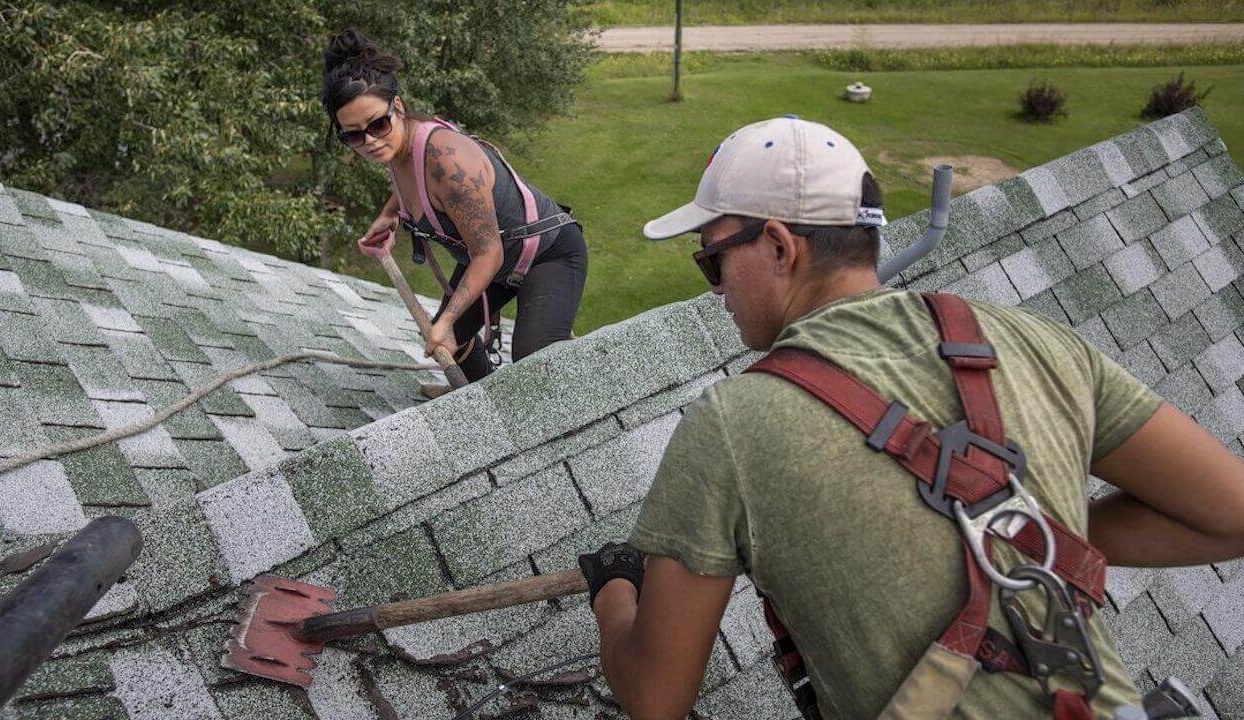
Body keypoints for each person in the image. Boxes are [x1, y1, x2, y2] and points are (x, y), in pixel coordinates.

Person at [576, 117, 1244, 719]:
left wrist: (614, 589)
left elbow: (656, 697)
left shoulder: (731, 424)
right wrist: (1026, 532)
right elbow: (1231, 512)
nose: (716, 290)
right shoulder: (1035, 340)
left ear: (779, 246)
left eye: (711, 261)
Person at [321, 29, 587, 389]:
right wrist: (390, 215)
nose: (369, 141)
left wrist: (445, 320)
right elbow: (412, 181)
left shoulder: (447, 159)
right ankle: (478, 406)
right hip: (495, 258)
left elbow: (488, 253)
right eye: (353, 135)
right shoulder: (396, 147)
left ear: (397, 107)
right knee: (452, 339)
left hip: (547, 254)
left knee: (532, 364)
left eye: (378, 124)